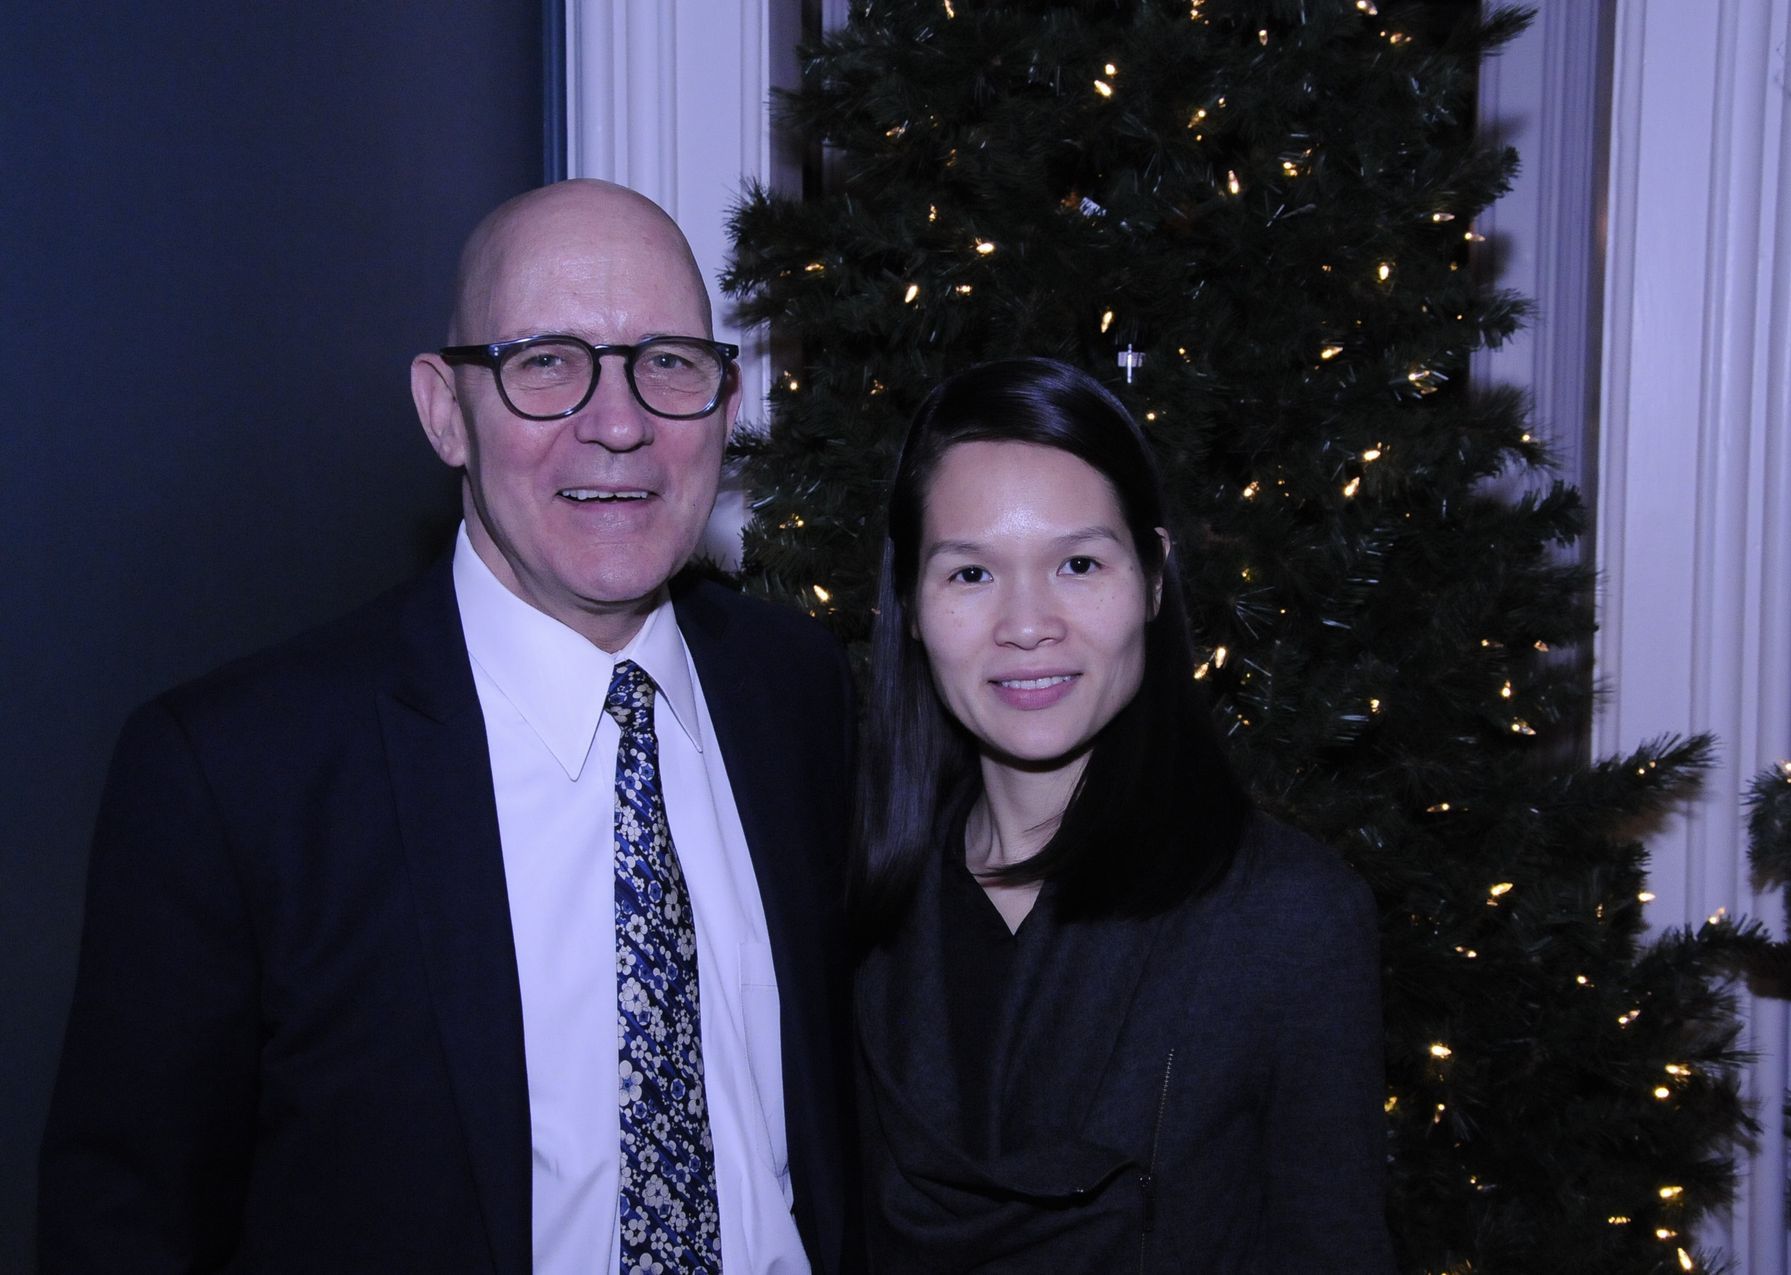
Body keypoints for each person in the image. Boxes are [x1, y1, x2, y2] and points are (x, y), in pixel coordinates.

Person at [39, 179, 859, 1274]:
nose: (617, 424)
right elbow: (126, 1227)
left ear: (724, 402)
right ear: (444, 411)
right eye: (546, 363)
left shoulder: (800, 694)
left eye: (667, 362)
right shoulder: (239, 777)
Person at [852, 357, 1395, 1272]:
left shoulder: (1287, 917)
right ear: (910, 603)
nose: (1028, 623)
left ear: (1150, 578)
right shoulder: (854, 903)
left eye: (1077, 562)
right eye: (971, 572)